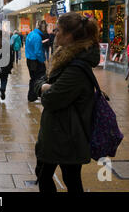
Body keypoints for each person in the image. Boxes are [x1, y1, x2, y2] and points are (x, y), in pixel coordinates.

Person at [33, 12, 100, 193]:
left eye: (59, 30)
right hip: (60, 131)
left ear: (70, 35)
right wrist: (44, 86)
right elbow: (43, 82)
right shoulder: (66, 58)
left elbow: (51, 99)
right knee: (62, 176)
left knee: (57, 177)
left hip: (66, 135)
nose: (55, 33)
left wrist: (44, 88)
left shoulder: (75, 68)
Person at [25, 22, 46, 102]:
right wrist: (42, 61)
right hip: (35, 61)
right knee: (37, 78)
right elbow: (38, 52)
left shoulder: (31, 34)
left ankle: (32, 96)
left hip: (29, 59)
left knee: (33, 78)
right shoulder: (37, 37)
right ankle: (33, 96)